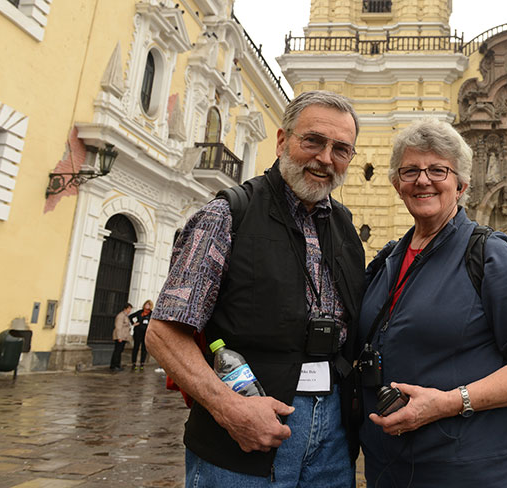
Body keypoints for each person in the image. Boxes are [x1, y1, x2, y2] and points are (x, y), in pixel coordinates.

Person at [145, 90, 365, 486]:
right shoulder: (227, 214)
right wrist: (229, 409)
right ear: (282, 141)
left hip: (333, 441)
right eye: (313, 140)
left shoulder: (346, 228)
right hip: (241, 438)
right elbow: (163, 334)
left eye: (341, 149)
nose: (325, 158)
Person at [357, 119, 507, 487]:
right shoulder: (388, 258)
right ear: (396, 183)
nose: (423, 180)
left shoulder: (487, 253)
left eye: (438, 170)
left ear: (461, 185)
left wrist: (451, 402)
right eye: (410, 171)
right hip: (391, 467)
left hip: (474, 471)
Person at [128, 300, 153, 372]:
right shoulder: (140, 312)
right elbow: (130, 316)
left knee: (144, 349)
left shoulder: (151, 314)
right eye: (146, 304)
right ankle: (134, 363)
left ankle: (142, 363)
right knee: (136, 347)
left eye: (148, 305)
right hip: (138, 332)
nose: (147, 306)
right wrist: (133, 323)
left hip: (145, 333)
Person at [111, 303, 133, 372]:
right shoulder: (121, 316)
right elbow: (118, 327)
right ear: (125, 309)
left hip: (124, 337)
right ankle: (114, 365)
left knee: (119, 351)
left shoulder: (126, 316)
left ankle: (117, 365)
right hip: (120, 336)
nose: (130, 310)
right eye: (129, 309)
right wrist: (119, 337)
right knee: (117, 351)